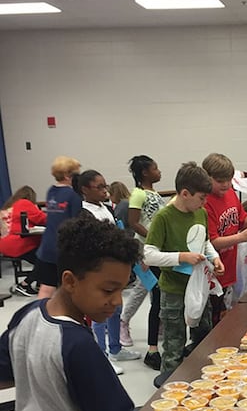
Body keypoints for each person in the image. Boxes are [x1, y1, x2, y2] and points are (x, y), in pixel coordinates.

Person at [0, 214, 231, 411]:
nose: (117, 302)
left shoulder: (29, 314)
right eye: (108, 290)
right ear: (70, 280)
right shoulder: (77, 345)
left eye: (122, 289)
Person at [144, 161, 225, 386]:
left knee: (203, 338)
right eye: (201, 198)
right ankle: (170, 391)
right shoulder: (164, 217)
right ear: (185, 193)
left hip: (198, 289)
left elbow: (205, 241)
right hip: (174, 291)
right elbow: (148, 255)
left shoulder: (199, 213)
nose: (204, 203)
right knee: (174, 345)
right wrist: (181, 257)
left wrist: (214, 257)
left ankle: (202, 385)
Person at [74, 170, 141, 374]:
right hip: (97, 270)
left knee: (116, 309)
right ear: (85, 189)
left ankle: (115, 348)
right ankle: (101, 355)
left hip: (113, 267)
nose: (105, 191)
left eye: (106, 186)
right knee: (99, 313)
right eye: (99, 187)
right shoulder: (83, 212)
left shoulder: (105, 207)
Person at [202, 153, 247, 324]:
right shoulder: (205, 202)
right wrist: (240, 237)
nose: (225, 184)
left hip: (230, 265)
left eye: (228, 180)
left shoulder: (230, 194)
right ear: (207, 178)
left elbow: (242, 220)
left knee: (225, 314)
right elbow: (212, 241)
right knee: (211, 317)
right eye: (220, 181)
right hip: (212, 270)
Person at [119, 155, 165, 371]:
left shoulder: (154, 193)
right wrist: (154, 239)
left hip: (158, 250)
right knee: (152, 292)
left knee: (152, 291)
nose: (159, 171)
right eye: (155, 168)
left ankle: (158, 330)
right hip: (147, 250)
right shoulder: (137, 194)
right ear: (145, 172)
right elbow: (134, 223)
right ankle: (147, 343)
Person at [36, 156, 82, 299]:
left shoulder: (51, 191)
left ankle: (40, 317)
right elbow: (76, 223)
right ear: (69, 176)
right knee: (68, 288)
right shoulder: (74, 195)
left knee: (46, 288)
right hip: (63, 247)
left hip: (46, 246)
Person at [0, 186, 47, 295]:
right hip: (18, 243)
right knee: (46, 260)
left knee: (41, 259)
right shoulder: (24, 203)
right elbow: (42, 219)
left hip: (4, 244)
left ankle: (40, 284)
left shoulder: (9, 206)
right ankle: (25, 284)